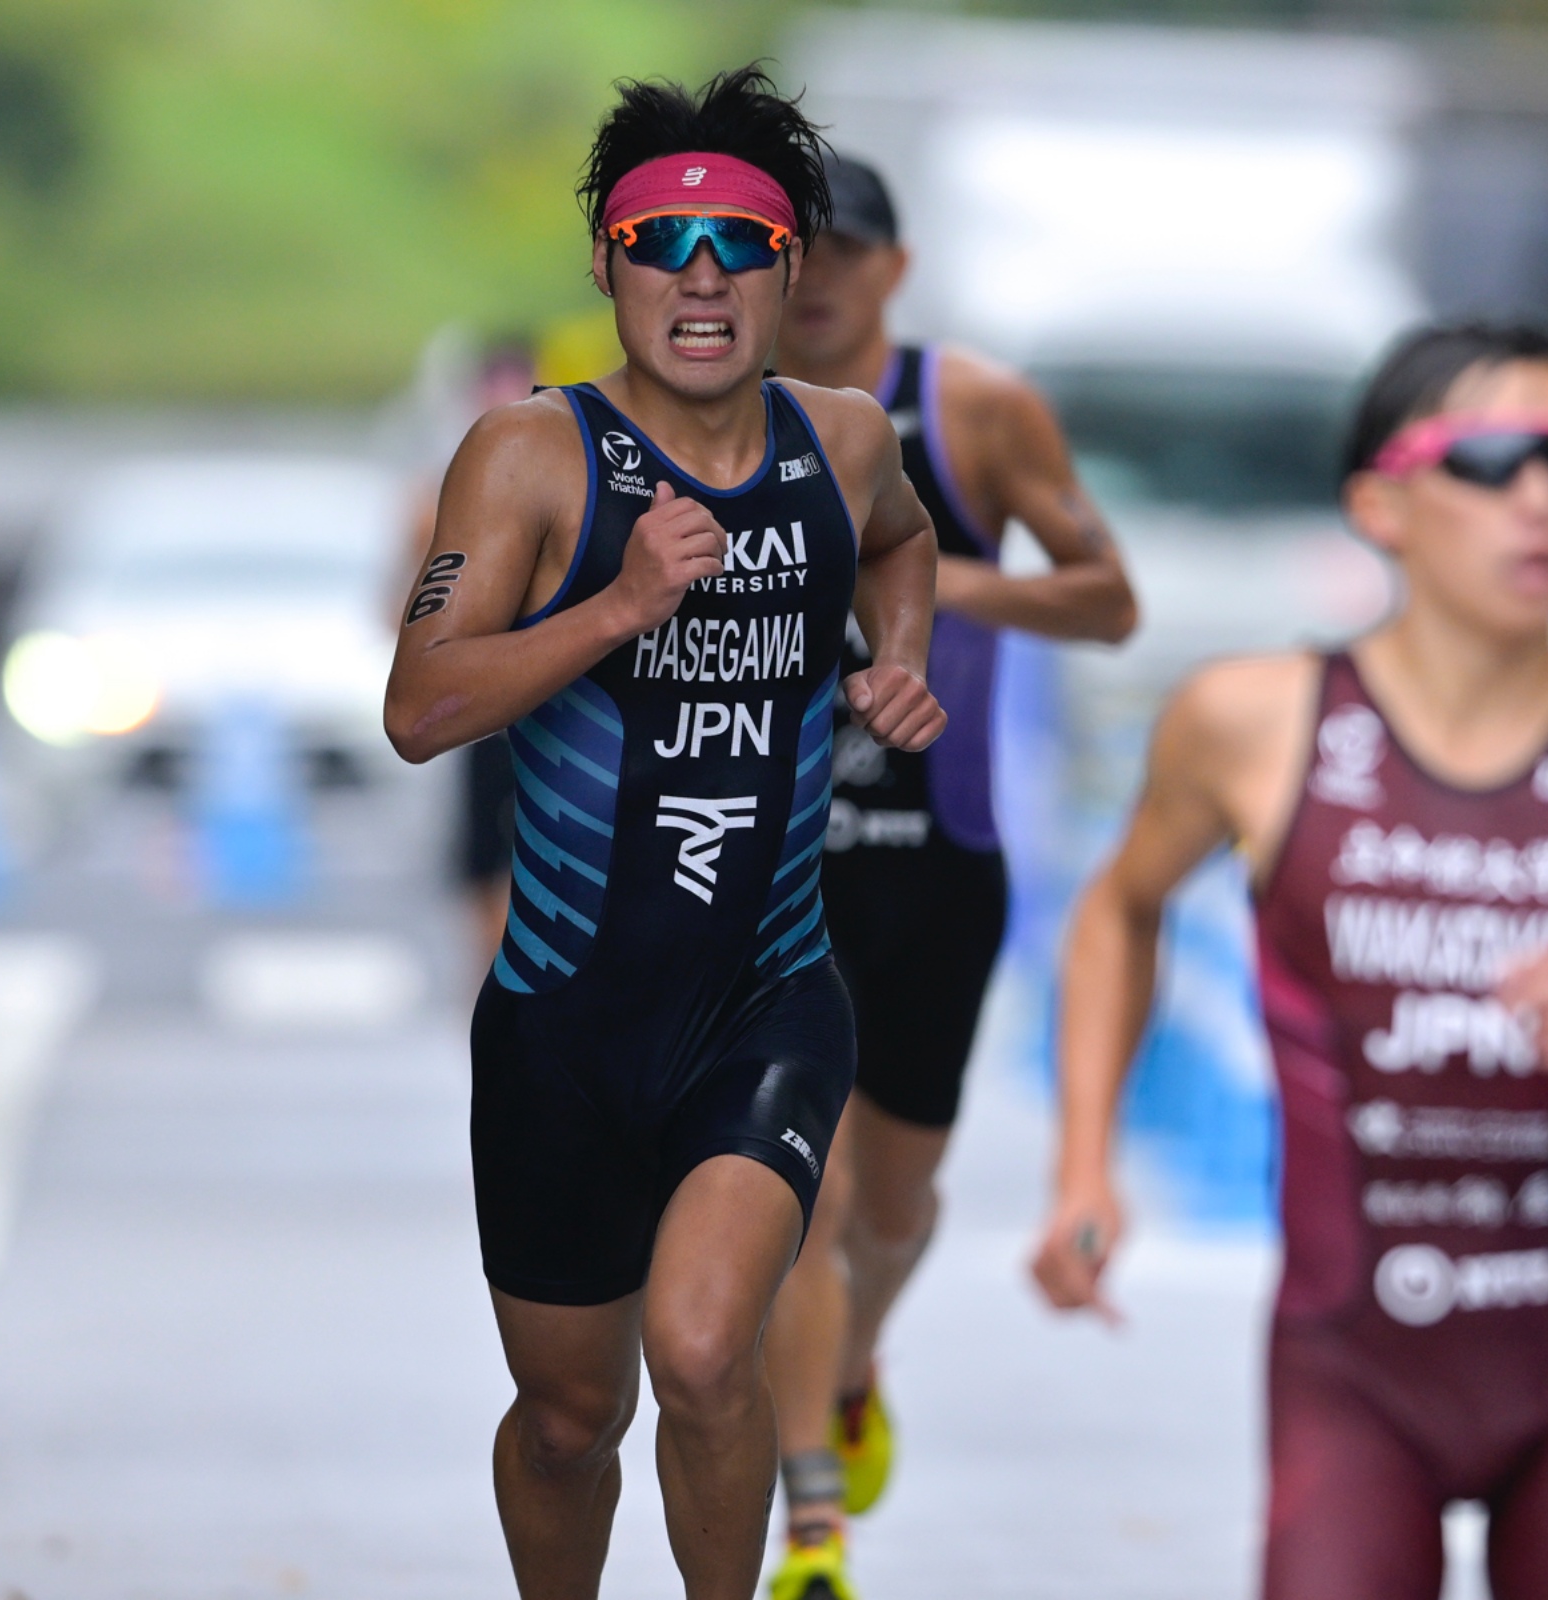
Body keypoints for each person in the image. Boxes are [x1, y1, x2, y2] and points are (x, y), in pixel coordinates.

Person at [1029, 320, 1548, 1600]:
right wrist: (1084, 1163)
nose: (1539, 499)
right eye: (1494, 459)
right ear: (1379, 504)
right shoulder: (1253, 721)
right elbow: (1118, 910)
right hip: (1350, 1369)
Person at [382, 67, 946, 1600]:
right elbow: (421, 707)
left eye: (740, 242)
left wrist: (895, 660)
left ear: (789, 268)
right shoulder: (529, 458)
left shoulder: (842, 442)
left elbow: (902, 541)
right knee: (573, 1418)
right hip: (563, 1025)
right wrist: (621, 603)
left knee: (702, 1353)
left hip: (764, 1004)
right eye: (661, 242)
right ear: (605, 263)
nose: (701, 276)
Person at [756, 153, 1136, 1598]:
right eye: (798, 249)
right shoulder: (714, 408)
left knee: (892, 1207)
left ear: (896, 269)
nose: (821, 277)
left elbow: (1109, 599)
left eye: (848, 250)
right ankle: (813, 1532)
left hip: (937, 863)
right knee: (805, 1197)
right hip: (772, 874)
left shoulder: (972, 410)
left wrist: (927, 580)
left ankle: (851, 1368)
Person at [398, 338, 541, 968]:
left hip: (550, 710)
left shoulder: (573, 477)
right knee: (486, 884)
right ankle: (492, 1008)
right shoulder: (441, 496)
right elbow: (400, 618)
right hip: (484, 724)